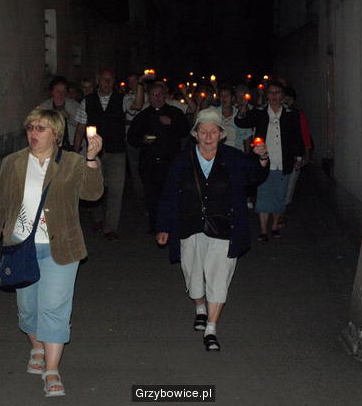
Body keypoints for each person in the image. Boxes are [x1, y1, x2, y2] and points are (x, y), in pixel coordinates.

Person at [0, 108, 104, 397]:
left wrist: (92, 160)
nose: (33, 133)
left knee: (54, 308)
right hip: (22, 247)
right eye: (30, 128)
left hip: (62, 248)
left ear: (56, 134)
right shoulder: (13, 163)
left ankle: (52, 370)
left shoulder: (72, 162)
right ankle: (37, 347)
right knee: (28, 307)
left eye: (40, 129)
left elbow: (92, 194)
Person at [156, 109, 269, 352]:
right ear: (195, 134)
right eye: (203, 131)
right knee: (193, 274)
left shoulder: (233, 157)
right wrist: (164, 226)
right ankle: (200, 307)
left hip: (225, 228)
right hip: (190, 226)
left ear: (221, 134)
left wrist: (262, 158)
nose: (208, 136)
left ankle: (211, 328)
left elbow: (255, 175)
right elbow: (169, 194)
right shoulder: (182, 160)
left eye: (213, 131)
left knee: (219, 276)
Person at [73, 68, 139, 240]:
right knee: (95, 186)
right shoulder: (88, 101)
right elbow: (80, 128)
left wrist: (140, 85)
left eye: (110, 80)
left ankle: (110, 228)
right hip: (94, 152)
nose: (107, 83)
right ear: (98, 80)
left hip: (116, 151)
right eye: (104, 79)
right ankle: (97, 218)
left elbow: (137, 105)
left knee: (116, 189)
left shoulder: (122, 99)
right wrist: (75, 152)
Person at [235, 81, 304, 240]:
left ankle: (274, 227)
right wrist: (243, 107)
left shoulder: (291, 113)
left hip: (283, 161)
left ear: (282, 95)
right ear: (267, 95)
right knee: (264, 195)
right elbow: (241, 122)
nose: (274, 96)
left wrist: (299, 156)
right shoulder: (259, 111)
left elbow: (296, 135)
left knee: (279, 196)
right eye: (271, 92)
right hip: (264, 161)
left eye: (277, 92)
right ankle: (263, 230)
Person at [127, 82, 190, 233]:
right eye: (154, 94)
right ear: (149, 97)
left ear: (165, 95)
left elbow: (185, 131)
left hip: (170, 162)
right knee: (151, 196)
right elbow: (132, 138)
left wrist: (171, 122)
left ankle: (170, 225)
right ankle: (155, 226)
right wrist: (143, 140)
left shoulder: (174, 112)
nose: (158, 97)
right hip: (149, 163)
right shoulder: (143, 116)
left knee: (170, 195)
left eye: (160, 94)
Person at [282, 86, 313, 205]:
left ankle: (283, 208)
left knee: (290, 184)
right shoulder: (275, 114)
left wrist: (307, 154)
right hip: (279, 155)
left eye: (289, 99)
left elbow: (305, 135)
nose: (286, 101)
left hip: (295, 155)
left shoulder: (299, 115)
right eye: (285, 98)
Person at [39, 76, 80, 151]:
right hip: (52, 145)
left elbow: (81, 125)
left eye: (63, 91)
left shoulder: (75, 106)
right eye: (57, 91)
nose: (61, 94)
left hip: (71, 145)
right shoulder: (44, 107)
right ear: (52, 92)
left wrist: (69, 117)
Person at [209, 85, 252, 151]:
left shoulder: (239, 114)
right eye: (222, 95)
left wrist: (246, 155)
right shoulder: (213, 112)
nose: (224, 98)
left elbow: (247, 137)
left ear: (232, 98)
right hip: (217, 151)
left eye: (227, 95)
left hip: (236, 151)